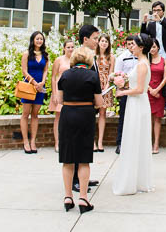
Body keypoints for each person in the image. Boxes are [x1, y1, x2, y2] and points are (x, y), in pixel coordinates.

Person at [57, 25, 103, 213]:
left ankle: (68, 197)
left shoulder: (65, 75)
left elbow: (59, 99)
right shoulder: (92, 76)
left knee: (68, 159)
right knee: (84, 159)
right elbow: (99, 102)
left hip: (68, 115)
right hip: (85, 115)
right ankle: (83, 199)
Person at [112, 33, 153, 195]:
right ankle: (135, 178)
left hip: (138, 103)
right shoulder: (140, 62)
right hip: (134, 102)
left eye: (133, 45)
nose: (131, 48)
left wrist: (122, 92)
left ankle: (134, 180)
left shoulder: (142, 64)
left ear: (141, 47)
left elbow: (140, 89)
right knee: (132, 138)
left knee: (136, 138)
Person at [20, 31, 49, 154]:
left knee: (35, 114)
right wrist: (33, 82)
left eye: (41, 39)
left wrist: (42, 82)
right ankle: (25, 142)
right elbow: (24, 71)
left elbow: (46, 70)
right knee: (26, 113)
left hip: (40, 87)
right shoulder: (26, 54)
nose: (39, 41)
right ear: (33, 40)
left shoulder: (45, 55)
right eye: (37, 39)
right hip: (28, 86)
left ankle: (33, 141)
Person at [48, 39, 74, 152]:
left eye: (72, 47)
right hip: (60, 90)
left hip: (72, 90)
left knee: (71, 118)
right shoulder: (59, 60)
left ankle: (68, 142)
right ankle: (57, 143)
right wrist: (54, 93)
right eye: (68, 47)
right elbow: (53, 77)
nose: (70, 49)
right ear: (64, 48)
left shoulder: (75, 60)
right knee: (58, 117)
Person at [115, 35, 138, 154]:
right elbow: (117, 74)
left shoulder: (141, 57)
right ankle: (120, 143)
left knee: (136, 118)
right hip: (125, 91)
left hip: (138, 91)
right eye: (129, 44)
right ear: (126, 45)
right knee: (123, 118)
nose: (131, 46)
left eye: (133, 44)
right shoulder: (122, 58)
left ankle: (134, 145)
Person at [147, 37, 166, 153]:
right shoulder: (146, 60)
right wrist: (150, 90)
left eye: (154, 46)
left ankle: (156, 144)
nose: (152, 49)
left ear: (158, 47)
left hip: (159, 93)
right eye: (150, 47)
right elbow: (143, 77)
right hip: (147, 91)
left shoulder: (164, 61)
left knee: (157, 119)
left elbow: (165, 78)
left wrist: (156, 90)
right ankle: (148, 144)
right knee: (148, 119)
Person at [95, 33, 115, 152]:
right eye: (102, 41)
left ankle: (100, 141)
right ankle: (92, 142)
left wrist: (106, 87)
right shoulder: (93, 55)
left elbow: (111, 74)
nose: (104, 43)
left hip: (106, 87)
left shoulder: (111, 57)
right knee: (92, 114)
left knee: (102, 114)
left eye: (106, 41)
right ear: (98, 42)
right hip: (94, 86)